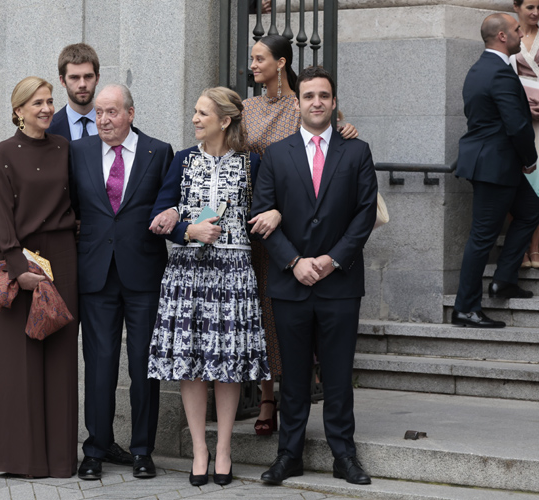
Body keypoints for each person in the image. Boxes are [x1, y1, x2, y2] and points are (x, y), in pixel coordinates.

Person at [252, 66, 377, 486]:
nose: (317, 102)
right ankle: (290, 454)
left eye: (324, 95)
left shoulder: (356, 152)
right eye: (309, 96)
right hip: (291, 283)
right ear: (298, 103)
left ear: (334, 101)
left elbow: (364, 215)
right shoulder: (277, 154)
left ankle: (345, 455)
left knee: (339, 375)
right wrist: (294, 262)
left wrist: (331, 259)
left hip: (340, 282)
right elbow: (263, 214)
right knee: (294, 377)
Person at [148, 87, 269, 487]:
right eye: (195, 112)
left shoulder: (251, 163)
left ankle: (223, 450)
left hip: (233, 272)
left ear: (225, 119)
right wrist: (186, 228)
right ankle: (199, 449)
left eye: (202, 113)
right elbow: (160, 210)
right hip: (187, 273)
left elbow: (268, 208)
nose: (195, 119)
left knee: (228, 364)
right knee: (192, 364)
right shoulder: (182, 160)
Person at [243, 34, 358, 435]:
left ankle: (319, 411)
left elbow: (329, 139)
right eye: (251, 59)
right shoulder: (247, 108)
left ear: (281, 62)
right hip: (263, 229)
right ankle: (267, 398)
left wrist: (345, 130)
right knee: (264, 316)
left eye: (259, 58)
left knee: (287, 323)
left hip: (301, 234)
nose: (253, 65)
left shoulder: (306, 107)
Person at [70, 84, 174, 481]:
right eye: (98, 113)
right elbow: (76, 209)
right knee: (99, 367)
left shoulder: (158, 152)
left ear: (131, 112)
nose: (103, 120)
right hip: (96, 277)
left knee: (144, 367)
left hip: (144, 275)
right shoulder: (78, 153)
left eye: (112, 112)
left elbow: (170, 201)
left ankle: (143, 452)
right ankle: (95, 449)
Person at [0, 76, 79, 478]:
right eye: (37, 103)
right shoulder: (3, 153)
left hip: (62, 259)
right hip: (18, 259)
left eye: (49, 102)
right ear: (19, 109)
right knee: (18, 363)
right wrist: (20, 269)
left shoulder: (65, 149)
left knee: (60, 361)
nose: (46, 109)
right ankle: (21, 459)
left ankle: (60, 460)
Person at [452, 13, 539, 329]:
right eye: (517, 29)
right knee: (481, 238)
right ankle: (465, 309)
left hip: (496, 163)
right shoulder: (499, 72)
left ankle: (504, 278)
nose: (521, 32)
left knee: (530, 210)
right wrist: (530, 160)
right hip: (495, 165)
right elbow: (517, 125)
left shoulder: (480, 69)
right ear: (502, 36)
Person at [511, 0, 539, 269]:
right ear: (516, 6)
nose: (535, 13)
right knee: (519, 180)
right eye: (530, 6)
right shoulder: (509, 36)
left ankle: (536, 247)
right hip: (519, 120)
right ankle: (517, 246)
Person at [47, 43, 100, 141]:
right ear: (63, 81)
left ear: (97, 78)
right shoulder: (48, 129)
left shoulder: (116, 124)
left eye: (88, 76)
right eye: (74, 77)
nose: (82, 84)